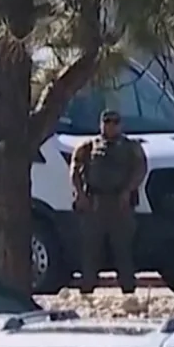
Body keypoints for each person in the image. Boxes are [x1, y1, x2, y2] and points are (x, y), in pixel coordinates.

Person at [70, 110, 148, 294]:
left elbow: (140, 169)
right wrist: (80, 194)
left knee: (123, 250)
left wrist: (128, 190)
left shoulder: (130, 147)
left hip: (120, 205)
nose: (111, 125)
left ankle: (128, 291)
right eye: (107, 121)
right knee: (91, 250)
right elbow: (75, 169)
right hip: (95, 204)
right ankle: (87, 290)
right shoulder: (88, 146)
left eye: (115, 122)